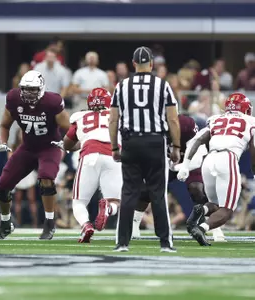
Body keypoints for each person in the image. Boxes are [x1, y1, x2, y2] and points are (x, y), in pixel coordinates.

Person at [109, 46, 180, 253]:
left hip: (131, 142)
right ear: (151, 64)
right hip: (155, 142)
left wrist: (114, 146)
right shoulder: (162, 85)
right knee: (157, 193)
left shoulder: (121, 86)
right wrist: (176, 146)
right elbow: (173, 119)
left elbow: (113, 120)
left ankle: (122, 242)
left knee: (129, 192)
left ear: (133, 64)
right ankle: (165, 242)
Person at [0, 70, 70, 240]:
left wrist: (67, 144)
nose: (29, 93)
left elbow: (70, 127)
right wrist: (4, 143)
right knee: (2, 186)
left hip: (50, 147)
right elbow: (5, 125)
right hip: (27, 147)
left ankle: (49, 222)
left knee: (46, 178)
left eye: (33, 89)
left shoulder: (52, 101)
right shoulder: (14, 99)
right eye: (26, 89)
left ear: (41, 88)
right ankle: (6, 223)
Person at [132, 114, 226, 242]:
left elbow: (198, 158)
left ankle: (213, 226)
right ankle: (134, 223)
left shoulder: (186, 125)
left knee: (197, 189)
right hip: (166, 161)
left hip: (190, 159)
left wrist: (182, 167)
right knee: (147, 189)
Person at [177, 93, 255, 246]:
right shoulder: (251, 121)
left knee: (215, 204)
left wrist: (186, 164)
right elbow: (254, 150)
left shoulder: (216, 118)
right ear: (246, 109)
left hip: (209, 159)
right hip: (228, 157)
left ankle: (202, 210)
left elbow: (197, 140)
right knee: (227, 210)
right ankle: (201, 227)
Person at [52, 88, 121, 243]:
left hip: (89, 155)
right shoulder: (118, 115)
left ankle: (85, 225)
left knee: (79, 202)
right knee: (116, 201)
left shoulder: (81, 116)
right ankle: (109, 209)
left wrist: (80, 143)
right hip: (113, 155)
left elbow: (68, 143)